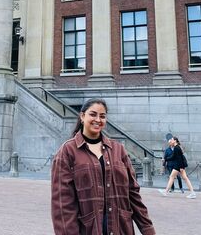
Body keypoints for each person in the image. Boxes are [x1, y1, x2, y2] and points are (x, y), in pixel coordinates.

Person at [51, 98, 156, 235]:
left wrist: (148, 230)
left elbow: (133, 194)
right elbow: (62, 205)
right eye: (93, 114)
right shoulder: (67, 151)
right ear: (82, 116)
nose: (98, 120)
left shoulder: (118, 150)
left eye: (102, 116)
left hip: (121, 229)